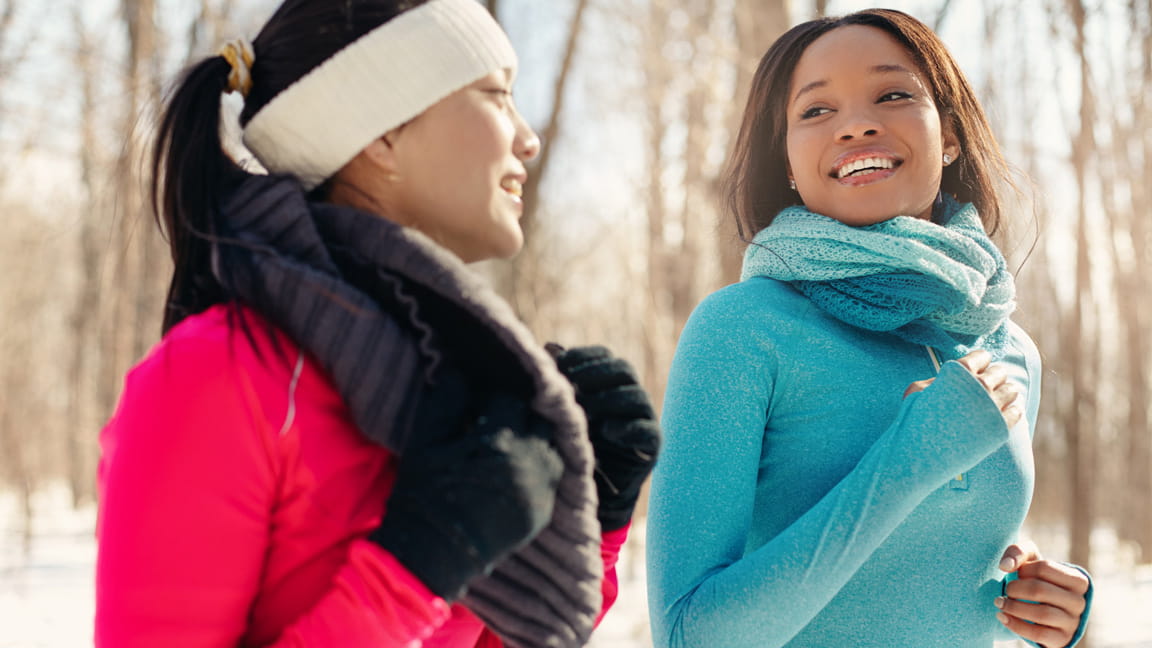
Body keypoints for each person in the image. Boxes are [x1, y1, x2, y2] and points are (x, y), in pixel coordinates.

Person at [94, 1, 659, 646]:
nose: (527, 138)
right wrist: (413, 572)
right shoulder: (216, 374)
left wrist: (600, 517)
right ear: (384, 131)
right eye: (497, 96)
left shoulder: (456, 379)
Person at [646, 9, 1091, 648]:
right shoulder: (742, 330)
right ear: (790, 162)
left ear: (950, 137)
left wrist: (1043, 604)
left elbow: (936, 573)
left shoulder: (1008, 346)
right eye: (816, 111)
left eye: (892, 94)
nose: (856, 123)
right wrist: (909, 464)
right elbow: (688, 635)